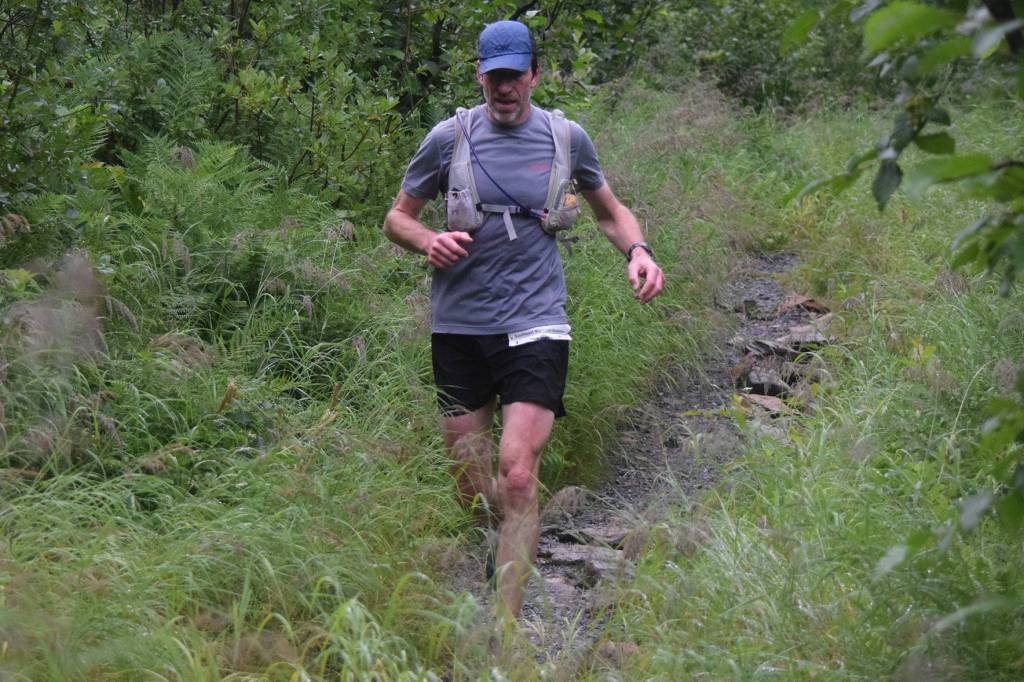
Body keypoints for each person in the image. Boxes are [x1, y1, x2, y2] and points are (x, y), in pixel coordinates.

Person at [382, 19, 664, 618]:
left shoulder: (566, 139)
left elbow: (610, 212)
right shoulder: (448, 138)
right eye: (496, 76)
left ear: (534, 74)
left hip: (537, 322)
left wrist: (639, 252)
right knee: (471, 487)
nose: (505, 88)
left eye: (516, 75)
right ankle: (502, 545)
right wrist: (427, 239)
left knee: (515, 475)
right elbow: (397, 218)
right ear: (480, 75)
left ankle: (503, 628)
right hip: (459, 326)